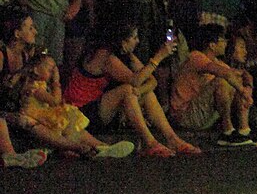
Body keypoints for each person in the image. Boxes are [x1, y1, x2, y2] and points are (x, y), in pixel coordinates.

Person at [64, 12, 199, 157]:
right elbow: (135, 80)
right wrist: (159, 57)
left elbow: (152, 81)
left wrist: (139, 91)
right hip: (81, 111)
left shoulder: (127, 56)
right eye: (134, 37)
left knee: (141, 92)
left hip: (101, 109)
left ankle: (173, 139)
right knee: (128, 90)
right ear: (122, 41)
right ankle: (150, 143)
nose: (138, 41)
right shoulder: (103, 56)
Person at [0, 13, 132, 160]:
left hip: (23, 106)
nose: (35, 31)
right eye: (30, 28)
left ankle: (102, 147)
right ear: (17, 33)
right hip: (10, 110)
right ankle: (78, 147)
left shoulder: (26, 54)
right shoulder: (2, 55)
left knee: (66, 118)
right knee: (32, 120)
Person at [168, 22, 257, 144]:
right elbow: (225, 74)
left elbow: (244, 74)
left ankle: (244, 130)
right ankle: (227, 131)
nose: (226, 43)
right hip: (184, 115)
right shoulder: (196, 57)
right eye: (222, 40)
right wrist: (244, 92)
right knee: (222, 81)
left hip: (201, 112)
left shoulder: (217, 62)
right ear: (212, 45)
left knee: (236, 81)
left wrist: (247, 88)